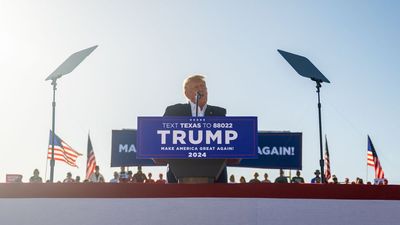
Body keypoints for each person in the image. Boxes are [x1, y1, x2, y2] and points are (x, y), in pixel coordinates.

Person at [163, 75, 227, 183]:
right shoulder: (174, 111)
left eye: (203, 86)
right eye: (196, 87)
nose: (201, 89)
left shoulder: (219, 113)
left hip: (216, 177)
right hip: (178, 174)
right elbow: (159, 135)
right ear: (186, 93)